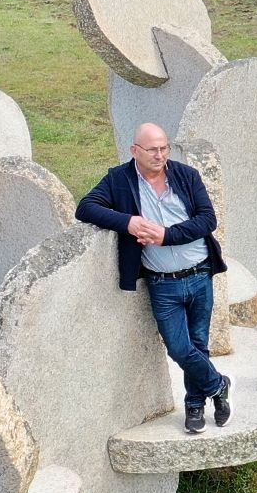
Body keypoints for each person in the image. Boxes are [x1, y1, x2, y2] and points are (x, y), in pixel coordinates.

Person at [75, 123, 233, 433]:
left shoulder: (186, 175)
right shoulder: (119, 180)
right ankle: (219, 385)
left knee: (198, 344)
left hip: (200, 274)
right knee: (178, 347)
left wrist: (166, 235)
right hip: (163, 283)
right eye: (152, 149)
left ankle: (195, 406)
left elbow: (207, 220)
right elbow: (85, 208)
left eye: (164, 148)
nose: (160, 155)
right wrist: (128, 222)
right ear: (135, 151)